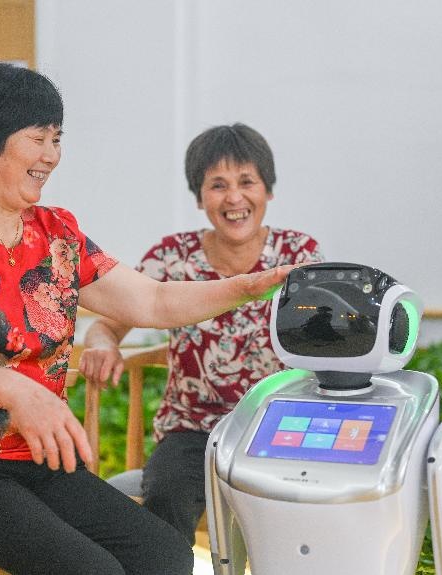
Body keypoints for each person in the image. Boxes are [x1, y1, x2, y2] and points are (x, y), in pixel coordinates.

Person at [0, 65, 295, 575]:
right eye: (37, 139)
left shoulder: (55, 233)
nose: (51, 155)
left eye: (57, 138)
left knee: (162, 553)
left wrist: (242, 287)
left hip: (36, 461)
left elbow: (153, 303)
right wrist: (12, 390)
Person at [79, 123, 324, 545]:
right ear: (199, 196)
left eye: (247, 182)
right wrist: (102, 344)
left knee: (294, 505)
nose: (234, 198)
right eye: (217, 185)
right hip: (192, 432)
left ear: (268, 190)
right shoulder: (172, 257)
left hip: (280, 425)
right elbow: (108, 322)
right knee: (167, 494)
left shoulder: (299, 256)